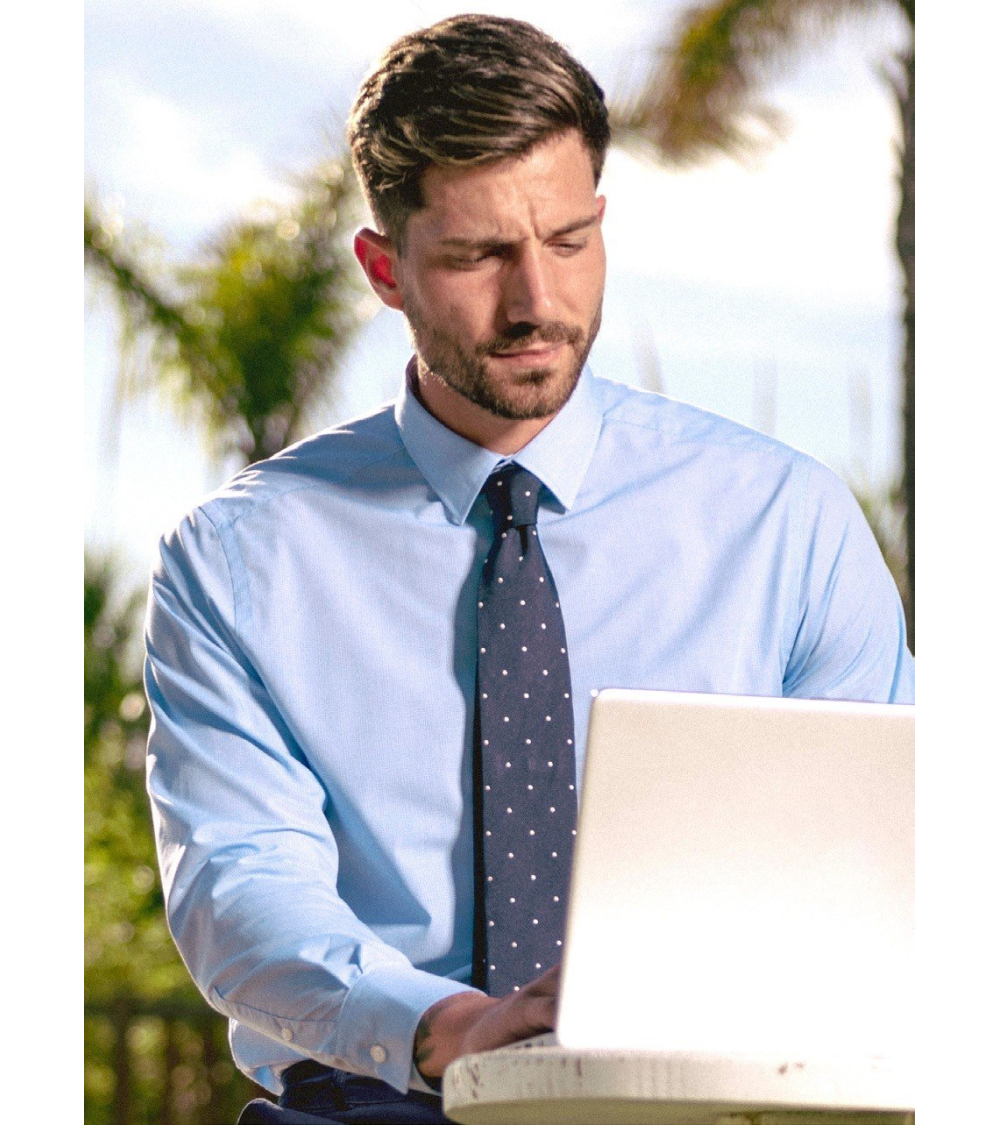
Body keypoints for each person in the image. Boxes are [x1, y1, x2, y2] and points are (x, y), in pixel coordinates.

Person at [143, 15, 915, 1125]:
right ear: (383, 268)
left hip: (723, 1096)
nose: (535, 304)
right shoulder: (237, 562)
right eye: (474, 256)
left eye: (565, 241)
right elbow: (239, 884)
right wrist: (450, 1032)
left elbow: (895, 850)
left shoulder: (781, 519)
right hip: (387, 1094)